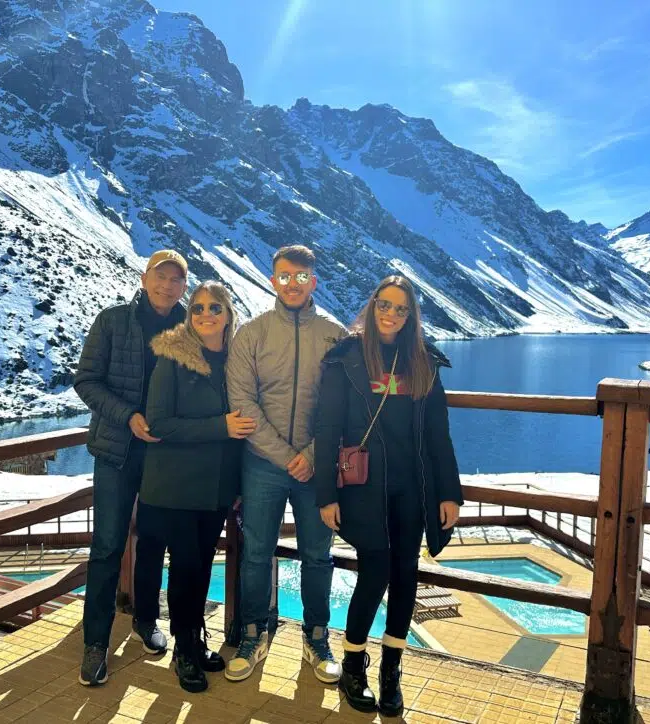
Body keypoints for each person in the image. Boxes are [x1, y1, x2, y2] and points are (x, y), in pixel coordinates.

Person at [314, 275, 463, 716]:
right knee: (374, 572)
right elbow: (327, 430)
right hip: (364, 489)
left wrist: (449, 492)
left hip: (412, 489)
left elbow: (439, 435)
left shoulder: (424, 362)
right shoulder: (347, 358)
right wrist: (326, 494)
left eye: (401, 308)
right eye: (384, 304)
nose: (391, 314)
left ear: (411, 315)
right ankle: (355, 664)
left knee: (405, 576)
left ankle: (391, 670)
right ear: (372, 304)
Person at [224, 245, 347, 684]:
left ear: (313, 281)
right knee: (257, 552)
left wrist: (312, 455)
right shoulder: (251, 335)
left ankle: (316, 638)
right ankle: (253, 635)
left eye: (300, 277)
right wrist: (287, 456)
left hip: (318, 465)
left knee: (318, 555)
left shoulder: (335, 336)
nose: (292, 284)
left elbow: (344, 405)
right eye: (283, 276)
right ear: (272, 280)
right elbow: (242, 403)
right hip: (262, 464)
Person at [73, 249, 188, 686]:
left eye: (176, 279)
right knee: (107, 546)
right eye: (161, 276)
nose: (167, 285)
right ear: (144, 278)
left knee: (155, 541)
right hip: (117, 450)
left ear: (183, 286)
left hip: (164, 454)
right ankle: (95, 643)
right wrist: (127, 416)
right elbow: (86, 380)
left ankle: (145, 621)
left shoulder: (189, 329)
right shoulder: (112, 320)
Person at [136, 281, 254, 693]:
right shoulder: (172, 357)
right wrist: (219, 426)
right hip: (178, 484)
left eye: (215, 307)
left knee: (202, 565)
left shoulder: (238, 359)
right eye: (199, 307)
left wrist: (238, 482)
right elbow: (160, 423)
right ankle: (184, 650)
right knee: (186, 567)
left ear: (228, 313)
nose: (206, 314)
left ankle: (194, 638)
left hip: (218, 486)